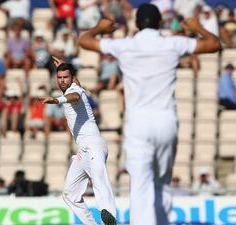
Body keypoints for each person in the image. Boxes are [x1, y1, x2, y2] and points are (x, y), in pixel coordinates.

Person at [78, 4, 221, 225]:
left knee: (141, 185)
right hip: (167, 122)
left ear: (136, 24)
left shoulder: (125, 45)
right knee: (162, 183)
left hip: (139, 123)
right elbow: (214, 44)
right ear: (160, 23)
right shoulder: (172, 43)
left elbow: (84, 41)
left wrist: (99, 27)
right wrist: (197, 27)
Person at [40, 63, 117, 225]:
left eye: (66, 77)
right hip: (82, 150)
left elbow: (73, 97)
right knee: (70, 194)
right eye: (59, 78)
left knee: (99, 177)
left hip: (94, 143)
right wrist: (62, 63)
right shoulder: (74, 87)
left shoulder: (75, 91)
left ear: (73, 79)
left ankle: (110, 217)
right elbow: (72, 87)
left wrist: (56, 100)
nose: (62, 81)